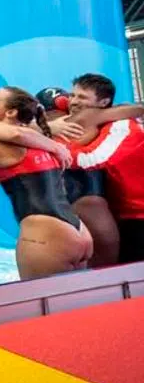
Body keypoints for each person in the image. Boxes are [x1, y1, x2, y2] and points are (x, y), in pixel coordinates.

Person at [0, 87, 92, 279]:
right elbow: (18, 175)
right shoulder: (41, 141)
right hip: (79, 231)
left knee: (44, 307)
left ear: (10, 112)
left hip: (45, 236)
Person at [52, 74, 144, 265]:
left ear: (104, 102)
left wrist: (53, 150)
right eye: (73, 95)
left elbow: (93, 160)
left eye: (82, 97)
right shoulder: (96, 124)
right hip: (125, 217)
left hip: (139, 218)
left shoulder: (123, 126)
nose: (74, 102)